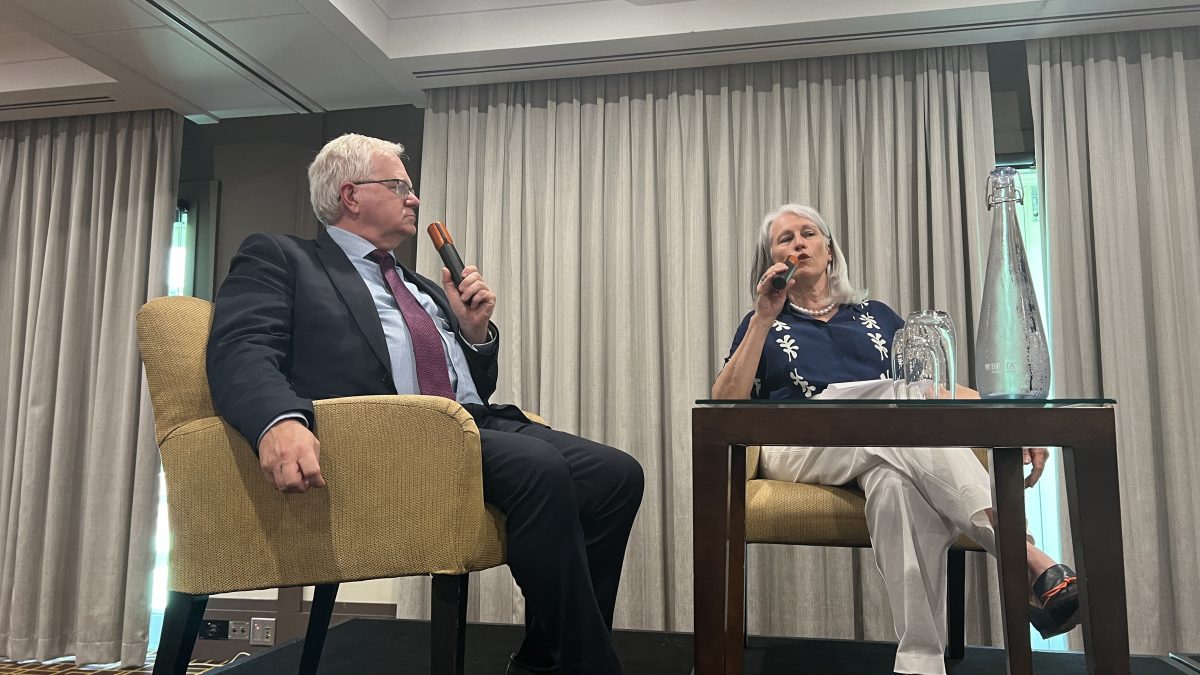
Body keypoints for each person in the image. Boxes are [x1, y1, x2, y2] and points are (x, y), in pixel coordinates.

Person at [206, 133, 644, 675]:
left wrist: (475, 334)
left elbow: (470, 390)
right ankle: (587, 667)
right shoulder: (282, 257)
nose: (414, 199)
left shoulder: (420, 286)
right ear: (351, 195)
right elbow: (239, 349)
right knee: (539, 469)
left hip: (468, 424)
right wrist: (279, 420)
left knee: (616, 474)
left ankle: (545, 659)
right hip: (392, 439)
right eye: (400, 186)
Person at [711, 203, 1079, 675]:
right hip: (799, 444)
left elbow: (929, 386)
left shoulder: (876, 316)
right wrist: (763, 317)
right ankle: (1026, 555)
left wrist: (1011, 420)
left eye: (808, 234)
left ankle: (919, 664)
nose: (798, 243)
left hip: (883, 444)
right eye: (784, 239)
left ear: (829, 251)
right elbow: (725, 404)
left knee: (894, 484)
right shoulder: (761, 320)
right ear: (772, 260)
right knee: (893, 398)